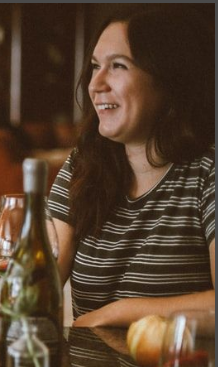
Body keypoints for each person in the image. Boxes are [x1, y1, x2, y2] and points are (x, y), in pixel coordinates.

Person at [47, 6, 214, 327]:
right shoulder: (85, 161)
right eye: (95, 66)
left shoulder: (208, 170)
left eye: (118, 66)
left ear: (170, 80)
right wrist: (16, 302)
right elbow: (44, 274)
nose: (95, 84)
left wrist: (116, 313)